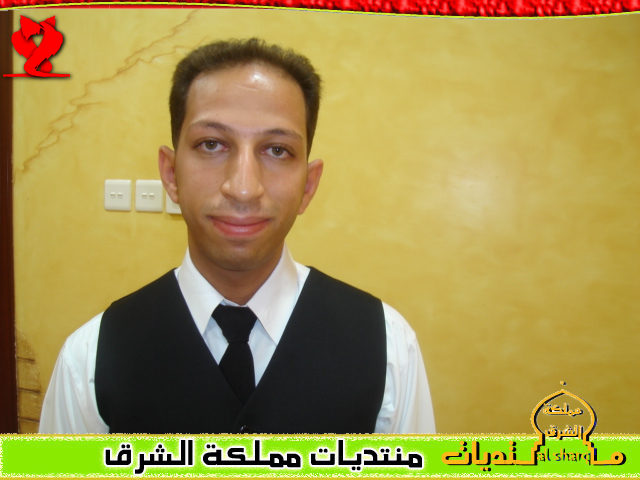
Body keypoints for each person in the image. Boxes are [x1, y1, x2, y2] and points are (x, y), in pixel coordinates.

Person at [39, 38, 436, 434]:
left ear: (309, 185)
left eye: (277, 150)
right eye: (211, 144)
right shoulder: (87, 362)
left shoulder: (389, 348)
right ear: (171, 175)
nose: (244, 188)